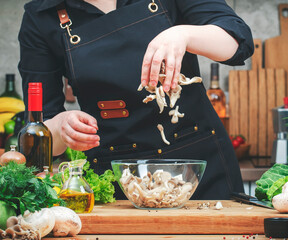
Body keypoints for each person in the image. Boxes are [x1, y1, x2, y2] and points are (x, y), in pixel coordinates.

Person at [18, 0, 254, 200]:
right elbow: (38, 135)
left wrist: (184, 34)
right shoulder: (40, 16)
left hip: (200, 170)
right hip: (119, 183)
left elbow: (237, 41)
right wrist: (60, 126)